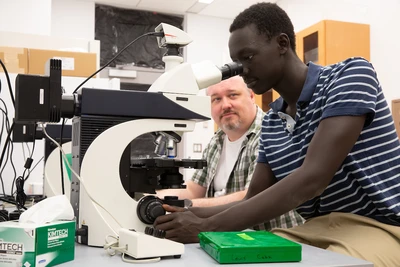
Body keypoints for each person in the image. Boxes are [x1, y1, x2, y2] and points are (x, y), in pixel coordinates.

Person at [154, 3, 400, 266]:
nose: (242, 70)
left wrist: (208, 225)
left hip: (381, 226)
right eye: (237, 63)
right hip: (314, 228)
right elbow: (252, 199)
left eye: (248, 57)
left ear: (282, 44)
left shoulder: (350, 75)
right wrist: (184, 213)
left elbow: (312, 179)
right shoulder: (272, 121)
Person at [157, 76, 303, 230]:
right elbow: (194, 189)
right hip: (227, 238)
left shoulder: (271, 133)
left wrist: (185, 206)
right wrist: (154, 198)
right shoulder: (217, 141)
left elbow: (249, 197)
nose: (225, 105)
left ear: (251, 96)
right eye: (216, 99)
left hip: (270, 241)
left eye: (233, 95)